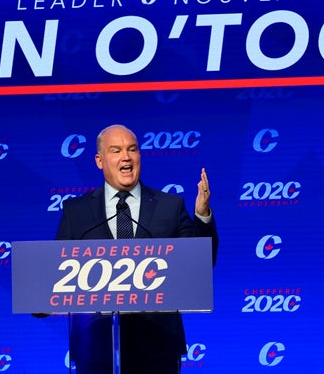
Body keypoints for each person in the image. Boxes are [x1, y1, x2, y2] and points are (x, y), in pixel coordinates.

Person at [55, 124, 218, 374]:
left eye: (132, 149)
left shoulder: (169, 206)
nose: (126, 157)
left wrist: (202, 214)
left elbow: (201, 263)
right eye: (116, 150)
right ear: (100, 160)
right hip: (96, 347)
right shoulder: (76, 212)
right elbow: (55, 272)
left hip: (157, 347)